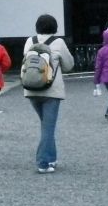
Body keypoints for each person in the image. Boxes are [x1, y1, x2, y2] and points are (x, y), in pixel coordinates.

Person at [21, 15, 74, 172]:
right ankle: (43, 162)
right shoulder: (58, 42)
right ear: (55, 27)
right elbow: (69, 65)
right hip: (51, 90)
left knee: (46, 126)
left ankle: (51, 158)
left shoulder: (29, 41)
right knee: (48, 128)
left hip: (31, 89)